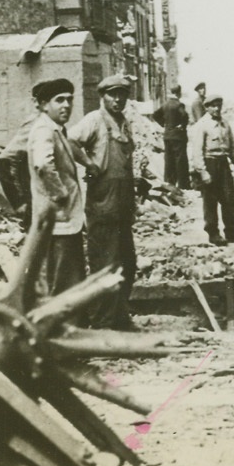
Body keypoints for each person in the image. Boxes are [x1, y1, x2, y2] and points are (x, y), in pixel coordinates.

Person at [71, 74, 139, 330]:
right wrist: (89, 163)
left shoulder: (123, 122)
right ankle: (102, 322)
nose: (118, 99)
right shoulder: (95, 120)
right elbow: (70, 141)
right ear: (103, 96)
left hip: (122, 204)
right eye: (113, 94)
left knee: (127, 262)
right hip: (103, 202)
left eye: (122, 94)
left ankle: (120, 315)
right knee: (104, 264)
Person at [26, 78, 87, 297]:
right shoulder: (44, 130)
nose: (66, 105)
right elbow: (43, 164)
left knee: (68, 276)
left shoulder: (56, 129)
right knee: (64, 279)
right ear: (44, 105)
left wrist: (88, 163)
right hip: (59, 219)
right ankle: (66, 327)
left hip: (63, 219)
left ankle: (74, 324)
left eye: (70, 100)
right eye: (59, 100)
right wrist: (59, 193)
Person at [189, 92, 234, 245]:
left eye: (219, 105)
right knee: (210, 201)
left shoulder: (225, 124)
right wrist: (203, 171)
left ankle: (231, 231)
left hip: (223, 163)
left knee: (230, 199)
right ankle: (213, 233)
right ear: (206, 108)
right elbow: (197, 151)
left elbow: (232, 147)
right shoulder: (202, 125)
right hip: (209, 163)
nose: (217, 108)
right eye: (213, 106)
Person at [0, 106, 37, 231]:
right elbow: (5, 160)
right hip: (37, 204)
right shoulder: (37, 124)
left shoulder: (57, 127)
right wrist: (18, 201)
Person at [153, 84, 190, 189]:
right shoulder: (179, 105)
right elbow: (185, 116)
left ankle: (169, 183)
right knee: (180, 160)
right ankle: (183, 184)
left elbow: (155, 115)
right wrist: (181, 126)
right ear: (179, 93)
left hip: (167, 136)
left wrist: (164, 125)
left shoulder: (165, 105)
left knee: (169, 160)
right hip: (178, 136)